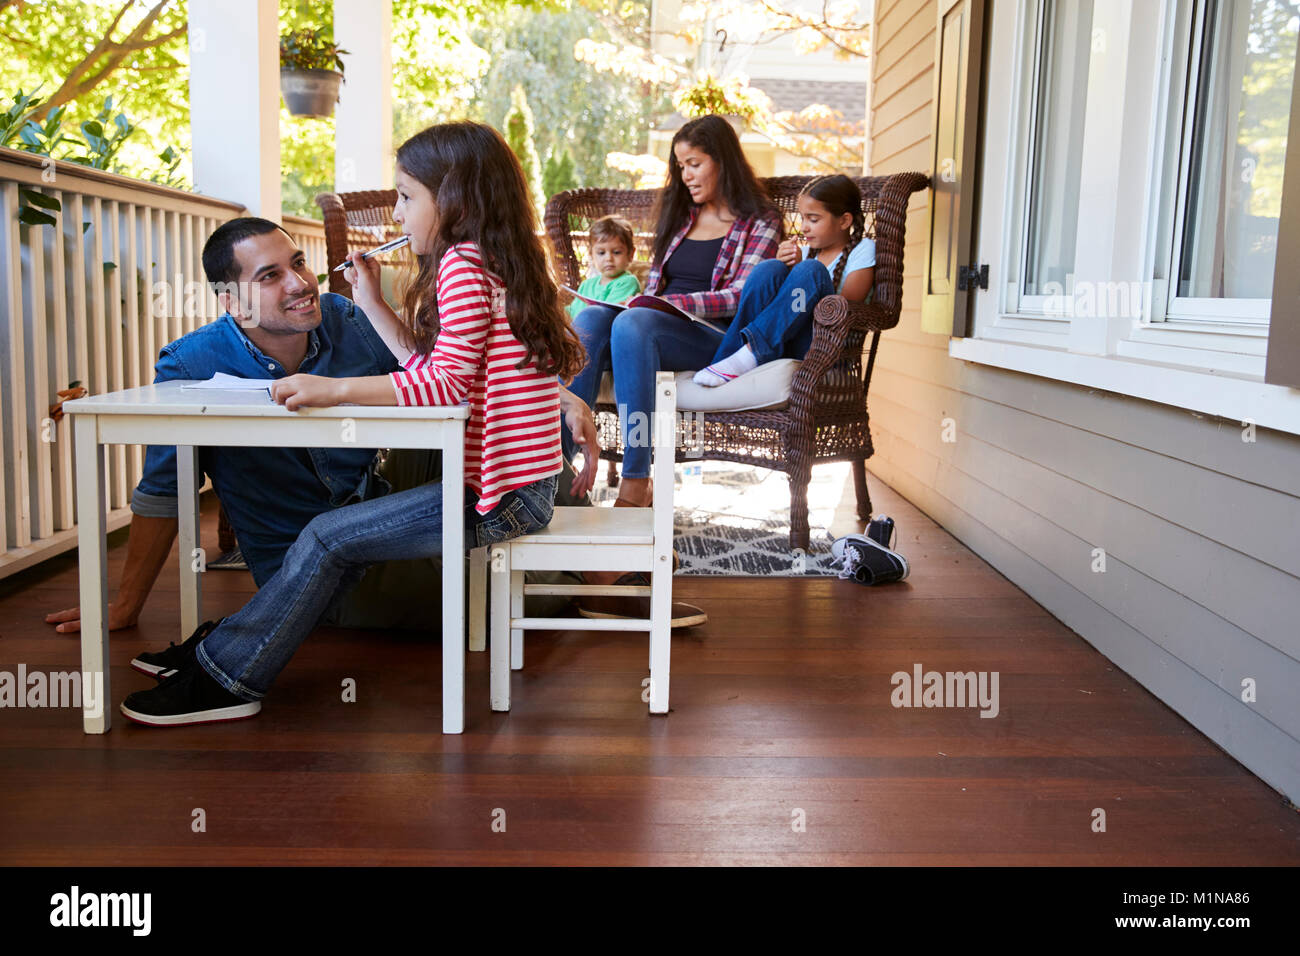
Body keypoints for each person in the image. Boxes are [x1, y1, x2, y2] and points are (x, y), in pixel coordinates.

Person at [118, 121, 590, 726]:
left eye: (405, 196)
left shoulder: (461, 267)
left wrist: (329, 389)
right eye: (269, 277)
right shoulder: (487, 260)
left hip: (495, 496)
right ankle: (223, 653)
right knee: (328, 537)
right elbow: (437, 370)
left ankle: (226, 676)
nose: (396, 213)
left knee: (326, 536)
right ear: (230, 301)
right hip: (510, 490)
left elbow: (442, 386)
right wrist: (374, 301)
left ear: (454, 201)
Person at [44, 218, 600, 642]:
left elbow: (448, 372)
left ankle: (562, 550)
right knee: (496, 597)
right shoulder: (189, 364)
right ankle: (570, 578)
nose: (300, 283)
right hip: (317, 565)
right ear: (230, 301)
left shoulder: (344, 315)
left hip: (381, 496)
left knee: (531, 443)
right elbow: (165, 491)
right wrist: (125, 606)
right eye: (271, 276)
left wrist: (561, 396)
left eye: (299, 263)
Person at [564, 115, 781, 623]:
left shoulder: (760, 221)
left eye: (694, 163)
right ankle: (557, 460)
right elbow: (653, 290)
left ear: (722, 161)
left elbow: (740, 297)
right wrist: (651, 303)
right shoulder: (679, 220)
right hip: (657, 326)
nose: (685, 174)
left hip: (718, 341)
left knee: (635, 323)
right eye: (680, 165)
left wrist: (669, 303)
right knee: (596, 316)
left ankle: (636, 480)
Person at [695, 174, 875, 386]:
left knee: (811, 271)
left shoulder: (862, 250)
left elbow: (844, 308)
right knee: (769, 268)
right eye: (802, 218)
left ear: (844, 220)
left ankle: (748, 355)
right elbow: (782, 302)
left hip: (822, 349)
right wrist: (785, 268)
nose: (804, 227)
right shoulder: (806, 251)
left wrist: (800, 273)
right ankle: (727, 359)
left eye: (813, 219)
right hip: (783, 340)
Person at [566, 215, 641, 319]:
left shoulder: (628, 282)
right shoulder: (587, 285)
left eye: (616, 252)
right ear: (591, 255)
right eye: (601, 253)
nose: (608, 258)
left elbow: (606, 316)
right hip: (575, 332)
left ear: (631, 254)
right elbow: (572, 311)